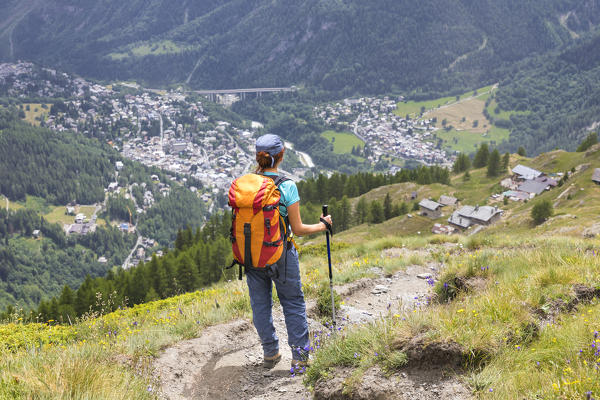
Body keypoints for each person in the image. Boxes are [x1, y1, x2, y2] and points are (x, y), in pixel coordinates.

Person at [246, 133, 333, 370]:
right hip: (281, 254)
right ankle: (300, 358)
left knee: (260, 305)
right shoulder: (287, 186)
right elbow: (299, 228)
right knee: (292, 302)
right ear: (281, 156)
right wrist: (323, 225)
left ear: (258, 157)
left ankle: (270, 353)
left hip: (252, 254)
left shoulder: (247, 183)